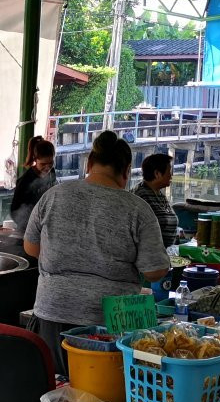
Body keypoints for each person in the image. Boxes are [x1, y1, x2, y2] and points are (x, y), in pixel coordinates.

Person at [23, 130, 170, 377]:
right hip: (114, 322)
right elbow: (154, 271)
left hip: (53, 314)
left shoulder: (53, 196)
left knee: (57, 395)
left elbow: (31, 247)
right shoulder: (138, 209)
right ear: (126, 171)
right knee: (108, 399)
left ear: (89, 164)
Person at [10, 136, 57, 231]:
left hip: (46, 227)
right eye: (43, 164)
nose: (47, 168)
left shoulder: (52, 173)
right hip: (28, 230)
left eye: (51, 163)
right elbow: (14, 212)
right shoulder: (25, 181)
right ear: (35, 160)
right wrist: (32, 225)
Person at [132, 153, 180, 247]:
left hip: (164, 252)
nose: (171, 175)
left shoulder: (159, 194)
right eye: (169, 171)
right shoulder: (141, 195)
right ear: (157, 174)